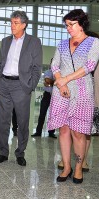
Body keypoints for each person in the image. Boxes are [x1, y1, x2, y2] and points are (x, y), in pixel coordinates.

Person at [47, 9, 99, 184]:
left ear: (81, 23)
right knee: (63, 129)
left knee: (78, 133)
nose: (68, 28)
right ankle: (67, 166)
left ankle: (78, 168)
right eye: (66, 25)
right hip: (61, 91)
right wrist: (60, 81)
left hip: (82, 91)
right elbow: (54, 64)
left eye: (71, 24)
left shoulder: (94, 42)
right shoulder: (62, 44)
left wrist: (65, 80)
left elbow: (89, 66)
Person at [0, 10, 42, 166]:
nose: (12, 26)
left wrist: (30, 86)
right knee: (2, 120)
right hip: (4, 84)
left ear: (24, 25)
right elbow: (1, 63)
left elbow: (37, 67)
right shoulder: (5, 41)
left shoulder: (33, 42)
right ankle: (3, 152)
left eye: (15, 23)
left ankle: (20, 153)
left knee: (22, 121)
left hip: (21, 86)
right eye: (11, 22)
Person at [57, 31, 99, 173]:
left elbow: (90, 68)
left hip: (89, 94)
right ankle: (67, 160)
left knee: (84, 131)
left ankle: (82, 162)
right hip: (74, 91)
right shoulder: (67, 47)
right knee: (66, 129)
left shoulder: (94, 48)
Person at [32, 61, 56, 138]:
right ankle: (38, 132)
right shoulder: (48, 72)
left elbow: (49, 82)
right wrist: (56, 82)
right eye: (52, 62)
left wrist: (51, 82)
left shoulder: (60, 73)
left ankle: (51, 132)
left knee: (53, 115)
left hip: (55, 96)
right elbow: (47, 81)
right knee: (42, 113)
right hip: (47, 95)